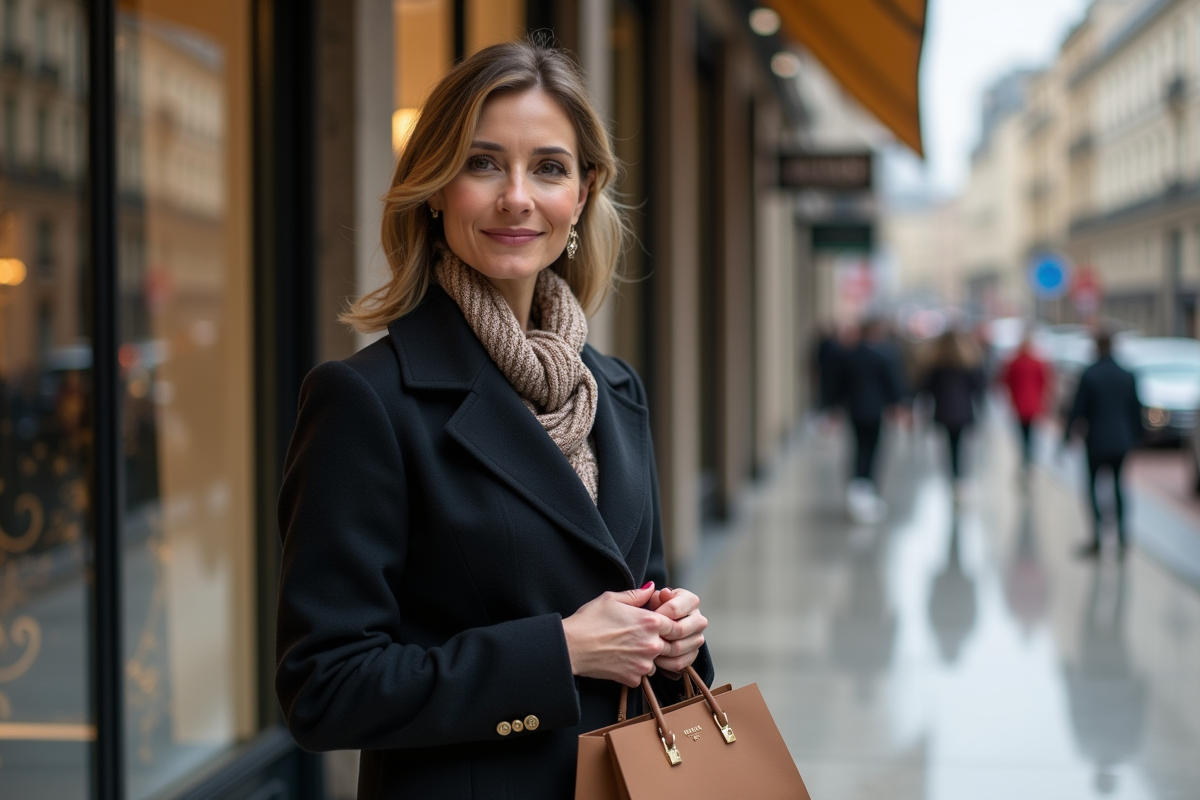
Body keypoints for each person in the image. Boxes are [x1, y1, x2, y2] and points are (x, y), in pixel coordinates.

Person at [274, 40, 713, 799]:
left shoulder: (614, 390)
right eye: (482, 164)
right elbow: (325, 688)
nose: (517, 197)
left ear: (583, 193)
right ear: (435, 189)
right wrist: (561, 651)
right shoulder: (365, 400)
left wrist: (676, 637)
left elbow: (638, 596)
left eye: (549, 167)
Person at [1063, 330, 1142, 557]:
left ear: (1097, 347)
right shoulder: (1127, 374)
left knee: (1092, 489)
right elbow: (1136, 410)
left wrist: (1067, 436)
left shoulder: (1090, 374)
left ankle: (1097, 538)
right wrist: (1136, 438)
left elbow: (1078, 409)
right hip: (1121, 441)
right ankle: (1123, 538)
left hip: (1096, 441)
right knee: (1119, 487)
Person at [832, 318, 902, 522]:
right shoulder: (883, 355)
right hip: (875, 410)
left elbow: (838, 384)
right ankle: (867, 488)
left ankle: (858, 489)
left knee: (858, 447)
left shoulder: (849, 355)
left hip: (855, 409)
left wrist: (834, 406)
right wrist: (897, 405)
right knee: (872, 449)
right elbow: (892, 384)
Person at [919, 330, 986, 492]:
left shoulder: (936, 367)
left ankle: (954, 475)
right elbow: (979, 387)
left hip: (943, 412)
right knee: (960, 445)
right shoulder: (968, 364)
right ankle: (959, 478)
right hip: (963, 411)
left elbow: (926, 389)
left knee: (950, 445)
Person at [999, 337, 1050, 471]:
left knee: (1023, 432)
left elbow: (1006, 381)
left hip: (1019, 403)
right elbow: (1044, 382)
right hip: (1033, 403)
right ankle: (1029, 456)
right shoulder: (1037, 363)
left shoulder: (1014, 362)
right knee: (1031, 431)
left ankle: (1026, 456)